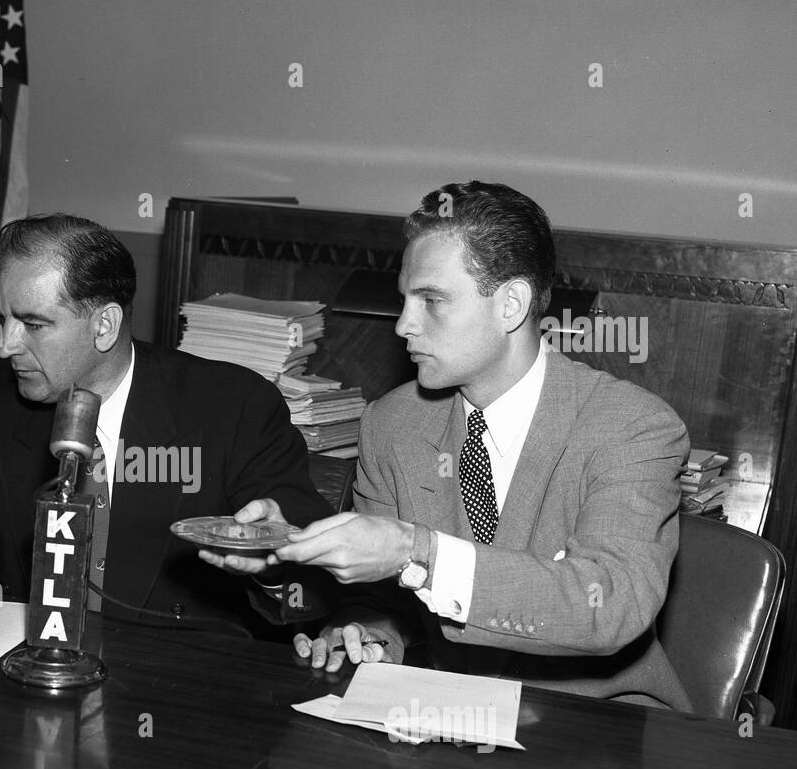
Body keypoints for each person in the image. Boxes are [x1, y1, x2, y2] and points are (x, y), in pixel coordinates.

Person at [216, 182, 691, 710]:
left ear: (511, 304)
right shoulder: (392, 423)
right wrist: (358, 624)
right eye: (404, 299)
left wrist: (415, 550)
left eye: (432, 300)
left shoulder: (633, 427)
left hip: (599, 730)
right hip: (447, 720)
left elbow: (609, 606)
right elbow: (381, 596)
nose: (403, 325)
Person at [0, 213, 333, 645]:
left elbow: (311, 587)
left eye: (33, 324)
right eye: (3, 319)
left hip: (179, 691)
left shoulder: (234, 407)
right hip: (35, 675)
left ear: (105, 325)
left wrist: (274, 564)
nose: (4, 346)